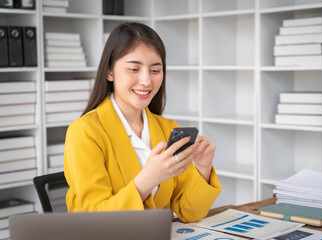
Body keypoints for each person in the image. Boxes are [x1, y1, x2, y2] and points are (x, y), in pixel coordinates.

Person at [63, 22, 221, 223]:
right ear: (109, 72)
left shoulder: (167, 128)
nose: (146, 80)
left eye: (155, 71)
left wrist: (203, 169)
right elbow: (95, 222)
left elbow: (189, 212)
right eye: (134, 69)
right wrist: (148, 180)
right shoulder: (84, 132)